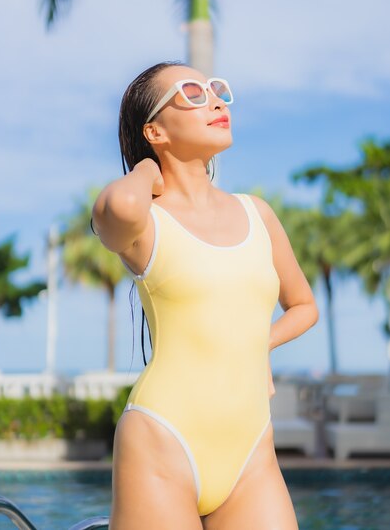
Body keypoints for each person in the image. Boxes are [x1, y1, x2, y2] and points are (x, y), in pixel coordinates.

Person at [91, 61, 319, 530]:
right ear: (155, 129)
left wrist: (259, 344)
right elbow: (117, 207)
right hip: (161, 444)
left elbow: (304, 306)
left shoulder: (258, 214)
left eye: (216, 89)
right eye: (191, 92)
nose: (214, 100)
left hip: (251, 453)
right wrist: (147, 169)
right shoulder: (146, 223)